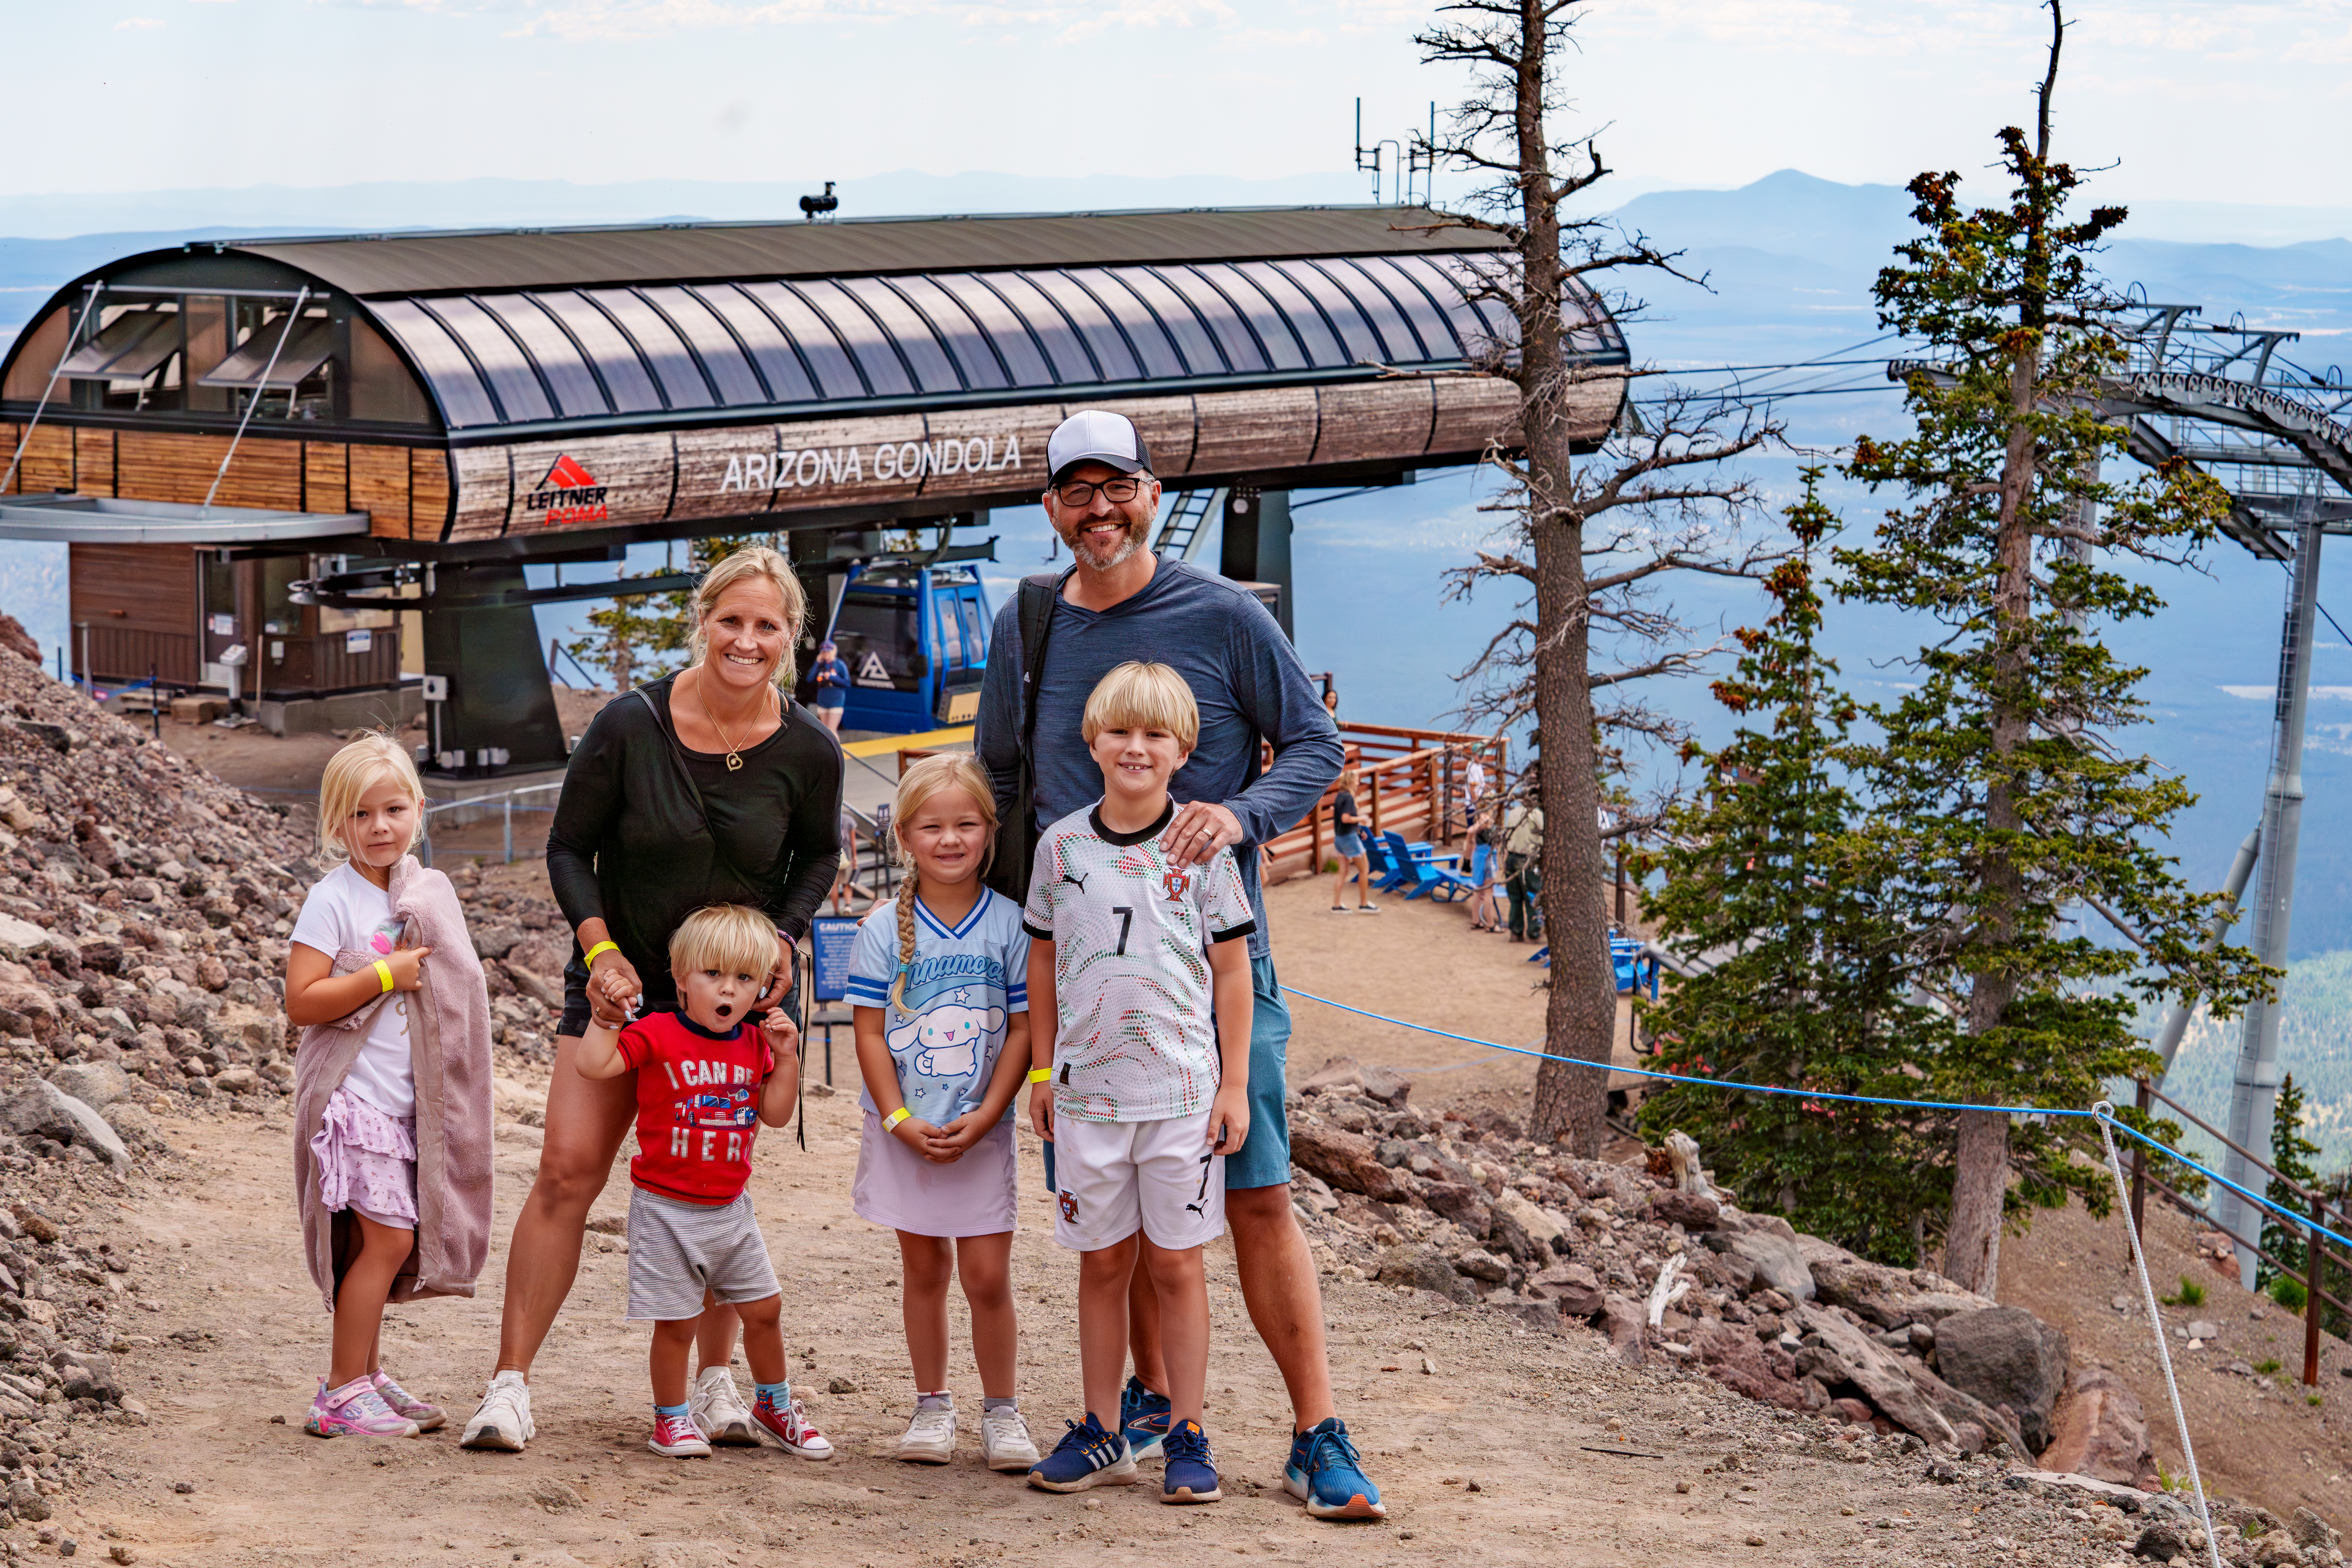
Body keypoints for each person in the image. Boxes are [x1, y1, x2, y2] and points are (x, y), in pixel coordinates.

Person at [975, 409, 1382, 1522]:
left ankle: (1317, 1433)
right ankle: (1143, 1408)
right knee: (1119, 1219)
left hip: (1205, 968)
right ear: (1050, 506)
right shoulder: (1027, 625)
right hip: (1080, 979)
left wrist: (1239, 818)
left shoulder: (1224, 614)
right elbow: (1000, 782)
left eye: (1118, 488)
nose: (1098, 510)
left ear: (1153, 493)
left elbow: (1316, 748)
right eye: (1075, 492)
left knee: (1249, 1195)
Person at [462, 545, 844, 1455]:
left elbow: (820, 855)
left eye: (767, 626)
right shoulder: (630, 725)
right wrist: (598, 954)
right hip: (620, 987)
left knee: (714, 1189)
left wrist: (781, 939)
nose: (746, 640)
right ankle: (508, 1387)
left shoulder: (807, 747)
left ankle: (716, 1386)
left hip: (728, 1000)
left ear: (790, 639)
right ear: (702, 620)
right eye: (731, 620)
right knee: (565, 1173)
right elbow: (566, 848)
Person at [1021, 663, 1254, 1504]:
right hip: (1088, 1097)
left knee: (1179, 1267)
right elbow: (1042, 956)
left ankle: (1186, 1429)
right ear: (1092, 741)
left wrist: (1232, 1087)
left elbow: (1233, 970)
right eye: (1120, 731)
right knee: (1101, 1266)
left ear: (1183, 749)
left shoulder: (1200, 846)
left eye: (1156, 734)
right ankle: (1099, 1429)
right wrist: (1043, 1067)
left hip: (1182, 1099)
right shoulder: (1062, 845)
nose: (1136, 747)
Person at [285, 734, 493, 1438]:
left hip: (406, 1108)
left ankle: (366, 1374)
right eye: (360, 815)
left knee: (379, 1243)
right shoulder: (331, 899)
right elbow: (302, 1000)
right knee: (388, 1243)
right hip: (354, 1103)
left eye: (394, 809)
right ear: (335, 823)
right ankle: (340, 1390)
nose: (379, 827)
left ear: (420, 810)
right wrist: (382, 974)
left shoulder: (424, 892)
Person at [847, 754, 1040, 1473]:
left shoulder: (1012, 927)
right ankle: (932, 1405)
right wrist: (898, 1120)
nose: (950, 839)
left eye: (966, 824)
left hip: (979, 1131)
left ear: (990, 832)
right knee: (923, 1271)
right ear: (904, 834)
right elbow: (869, 1030)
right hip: (908, 1131)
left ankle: (1002, 1411)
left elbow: (1023, 1030)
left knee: (988, 1277)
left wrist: (993, 1113)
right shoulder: (878, 930)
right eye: (933, 826)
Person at [575, 904, 822, 1459]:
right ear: (681, 979)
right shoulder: (657, 1032)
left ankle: (774, 1404)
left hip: (732, 1209)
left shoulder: (756, 1043)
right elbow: (595, 1066)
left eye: (743, 978)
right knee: (678, 1323)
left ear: (762, 988)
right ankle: (672, 1418)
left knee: (765, 1308)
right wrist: (606, 1020)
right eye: (713, 975)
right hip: (664, 1209)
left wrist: (788, 1059)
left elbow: (776, 1114)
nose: (728, 990)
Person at [1328, 764, 1376, 913]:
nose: (1358, 783)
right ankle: (1364, 904)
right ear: (1351, 782)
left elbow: (1342, 819)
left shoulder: (1340, 796)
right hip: (1349, 840)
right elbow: (1345, 818)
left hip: (1340, 839)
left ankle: (1337, 905)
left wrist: (1359, 830)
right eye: (1357, 780)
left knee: (1343, 873)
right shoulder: (1348, 797)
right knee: (1365, 869)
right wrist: (1361, 819)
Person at [1502, 795, 1544, 944]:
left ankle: (1516, 932)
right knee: (1533, 897)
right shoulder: (1538, 815)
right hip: (1528, 861)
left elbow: (1507, 835)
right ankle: (1534, 933)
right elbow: (1545, 835)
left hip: (1511, 859)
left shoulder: (1514, 812)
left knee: (1515, 898)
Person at [1466, 796, 1502, 932]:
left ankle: (1476, 920)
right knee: (1488, 892)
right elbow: (1493, 840)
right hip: (1487, 858)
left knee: (1478, 890)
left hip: (1477, 858)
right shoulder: (1486, 820)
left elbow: (1470, 833)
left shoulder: (1478, 820)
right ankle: (1491, 924)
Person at [808, 639, 851, 734]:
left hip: (836, 702)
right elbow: (810, 679)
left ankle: (836, 749)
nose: (826, 654)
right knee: (825, 732)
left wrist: (832, 677)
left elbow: (847, 683)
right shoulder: (821, 664)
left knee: (832, 731)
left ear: (834, 652)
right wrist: (817, 664)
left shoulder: (840, 664)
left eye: (828, 652)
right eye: (824, 652)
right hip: (823, 701)